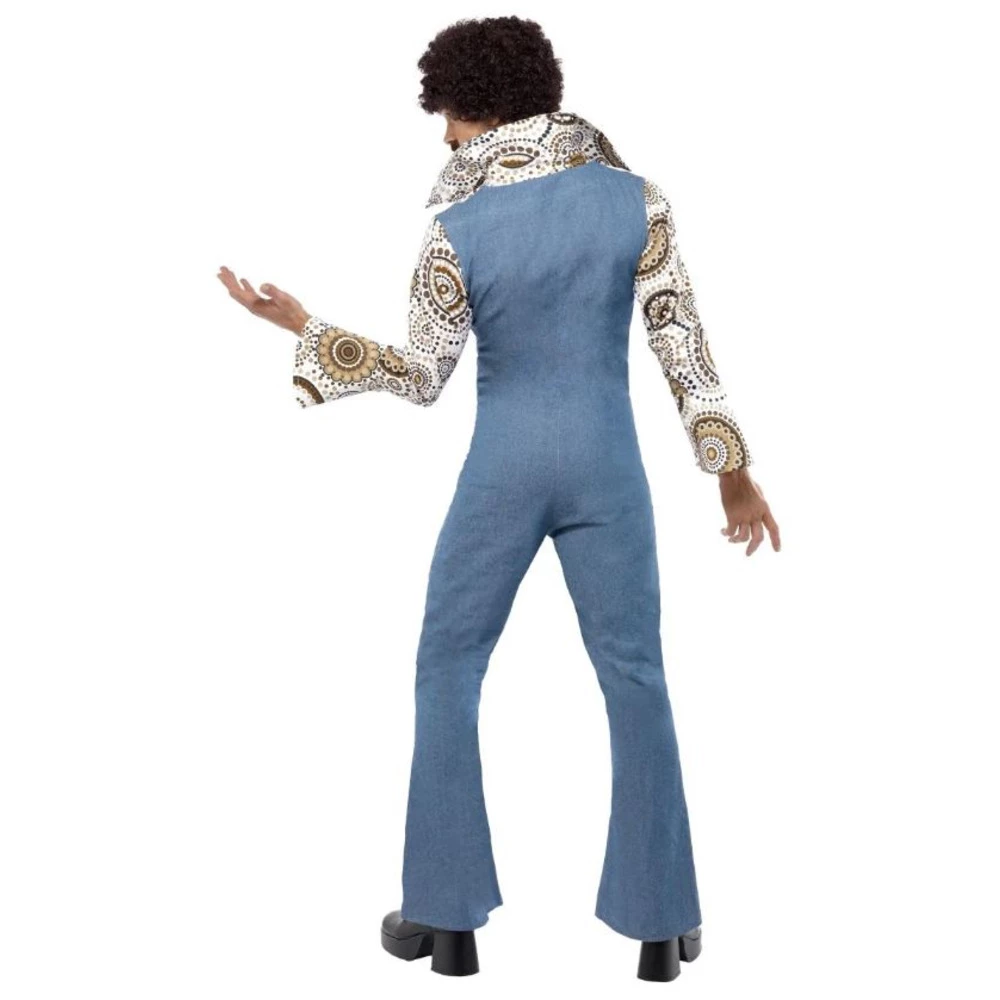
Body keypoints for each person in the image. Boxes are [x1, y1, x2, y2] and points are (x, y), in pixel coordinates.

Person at [217, 14, 780, 982]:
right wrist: (731, 469)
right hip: (608, 464)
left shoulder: (456, 228)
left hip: (503, 469)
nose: (443, 136)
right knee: (635, 675)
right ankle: (662, 923)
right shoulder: (638, 201)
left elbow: (421, 375)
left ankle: (445, 917)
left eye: (448, 115)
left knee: (448, 665)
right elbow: (682, 345)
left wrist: (304, 328)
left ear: (480, 106)